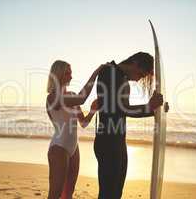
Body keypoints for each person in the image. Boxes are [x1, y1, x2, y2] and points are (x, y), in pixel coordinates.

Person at [94, 52, 168, 199]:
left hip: (118, 141)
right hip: (108, 142)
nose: (140, 78)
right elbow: (119, 108)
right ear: (135, 63)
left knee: (116, 193)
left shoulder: (121, 78)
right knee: (109, 193)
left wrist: (155, 111)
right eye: (141, 74)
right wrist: (149, 107)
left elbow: (122, 110)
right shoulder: (109, 72)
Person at [46, 60, 105, 199]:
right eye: (67, 73)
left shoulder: (71, 95)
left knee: (68, 193)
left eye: (71, 73)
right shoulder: (53, 97)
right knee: (54, 194)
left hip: (73, 147)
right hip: (59, 148)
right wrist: (96, 72)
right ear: (58, 75)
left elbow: (83, 123)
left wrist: (92, 111)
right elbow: (82, 98)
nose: (71, 77)